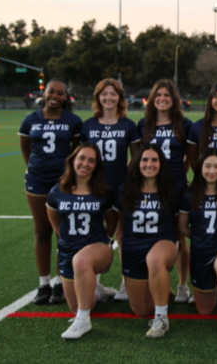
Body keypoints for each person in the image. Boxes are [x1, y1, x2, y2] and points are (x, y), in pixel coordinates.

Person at [19, 78, 82, 305]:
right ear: (44, 93)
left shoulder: (73, 121)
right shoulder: (30, 120)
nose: (55, 96)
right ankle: (43, 283)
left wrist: (68, 177)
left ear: (66, 97)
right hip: (37, 181)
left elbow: (76, 152)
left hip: (63, 182)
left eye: (60, 93)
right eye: (51, 92)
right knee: (42, 231)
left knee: (62, 233)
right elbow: (27, 151)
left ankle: (59, 282)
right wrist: (36, 170)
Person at [46, 143, 117, 339]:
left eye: (91, 160)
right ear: (73, 160)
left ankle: (84, 321)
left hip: (97, 247)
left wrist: (103, 242)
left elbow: (112, 222)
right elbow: (54, 220)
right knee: (78, 306)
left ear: (96, 166)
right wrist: (68, 240)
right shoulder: (57, 191)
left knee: (82, 262)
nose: (85, 163)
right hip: (68, 250)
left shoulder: (102, 191)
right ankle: (97, 291)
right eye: (82, 158)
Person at [81, 78, 141, 301]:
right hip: (95, 188)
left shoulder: (128, 125)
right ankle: (94, 284)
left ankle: (126, 282)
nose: (109, 97)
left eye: (113, 94)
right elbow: (82, 158)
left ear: (120, 98)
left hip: (120, 187)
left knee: (123, 235)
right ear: (98, 97)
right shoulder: (89, 125)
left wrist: (129, 181)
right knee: (94, 234)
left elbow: (136, 158)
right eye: (104, 94)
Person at [113, 144, 179, 338]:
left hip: (163, 243)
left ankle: (161, 318)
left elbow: (176, 224)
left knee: (155, 259)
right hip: (134, 248)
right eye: (145, 160)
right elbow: (121, 225)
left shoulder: (170, 190)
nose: (149, 164)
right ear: (137, 163)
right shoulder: (125, 190)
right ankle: (162, 288)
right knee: (141, 310)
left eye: (154, 160)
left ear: (161, 164)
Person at [137, 79, 193, 303]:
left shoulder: (184, 124)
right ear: (152, 99)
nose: (162, 99)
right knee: (152, 234)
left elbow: (190, 156)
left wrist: (177, 176)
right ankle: (156, 280)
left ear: (174, 100)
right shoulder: (144, 124)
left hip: (176, 186)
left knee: (179, 236)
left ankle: (182, 284)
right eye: (158, 95)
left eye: (167, 95)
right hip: (150, 187)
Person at [179, 148, 217, 337]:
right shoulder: (189, 196)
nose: (211, 171)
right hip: (200, 251)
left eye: (216, 166)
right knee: (205, 310)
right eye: (207, 166)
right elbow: (183, 227)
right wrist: (201, 238)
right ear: (200, 168)